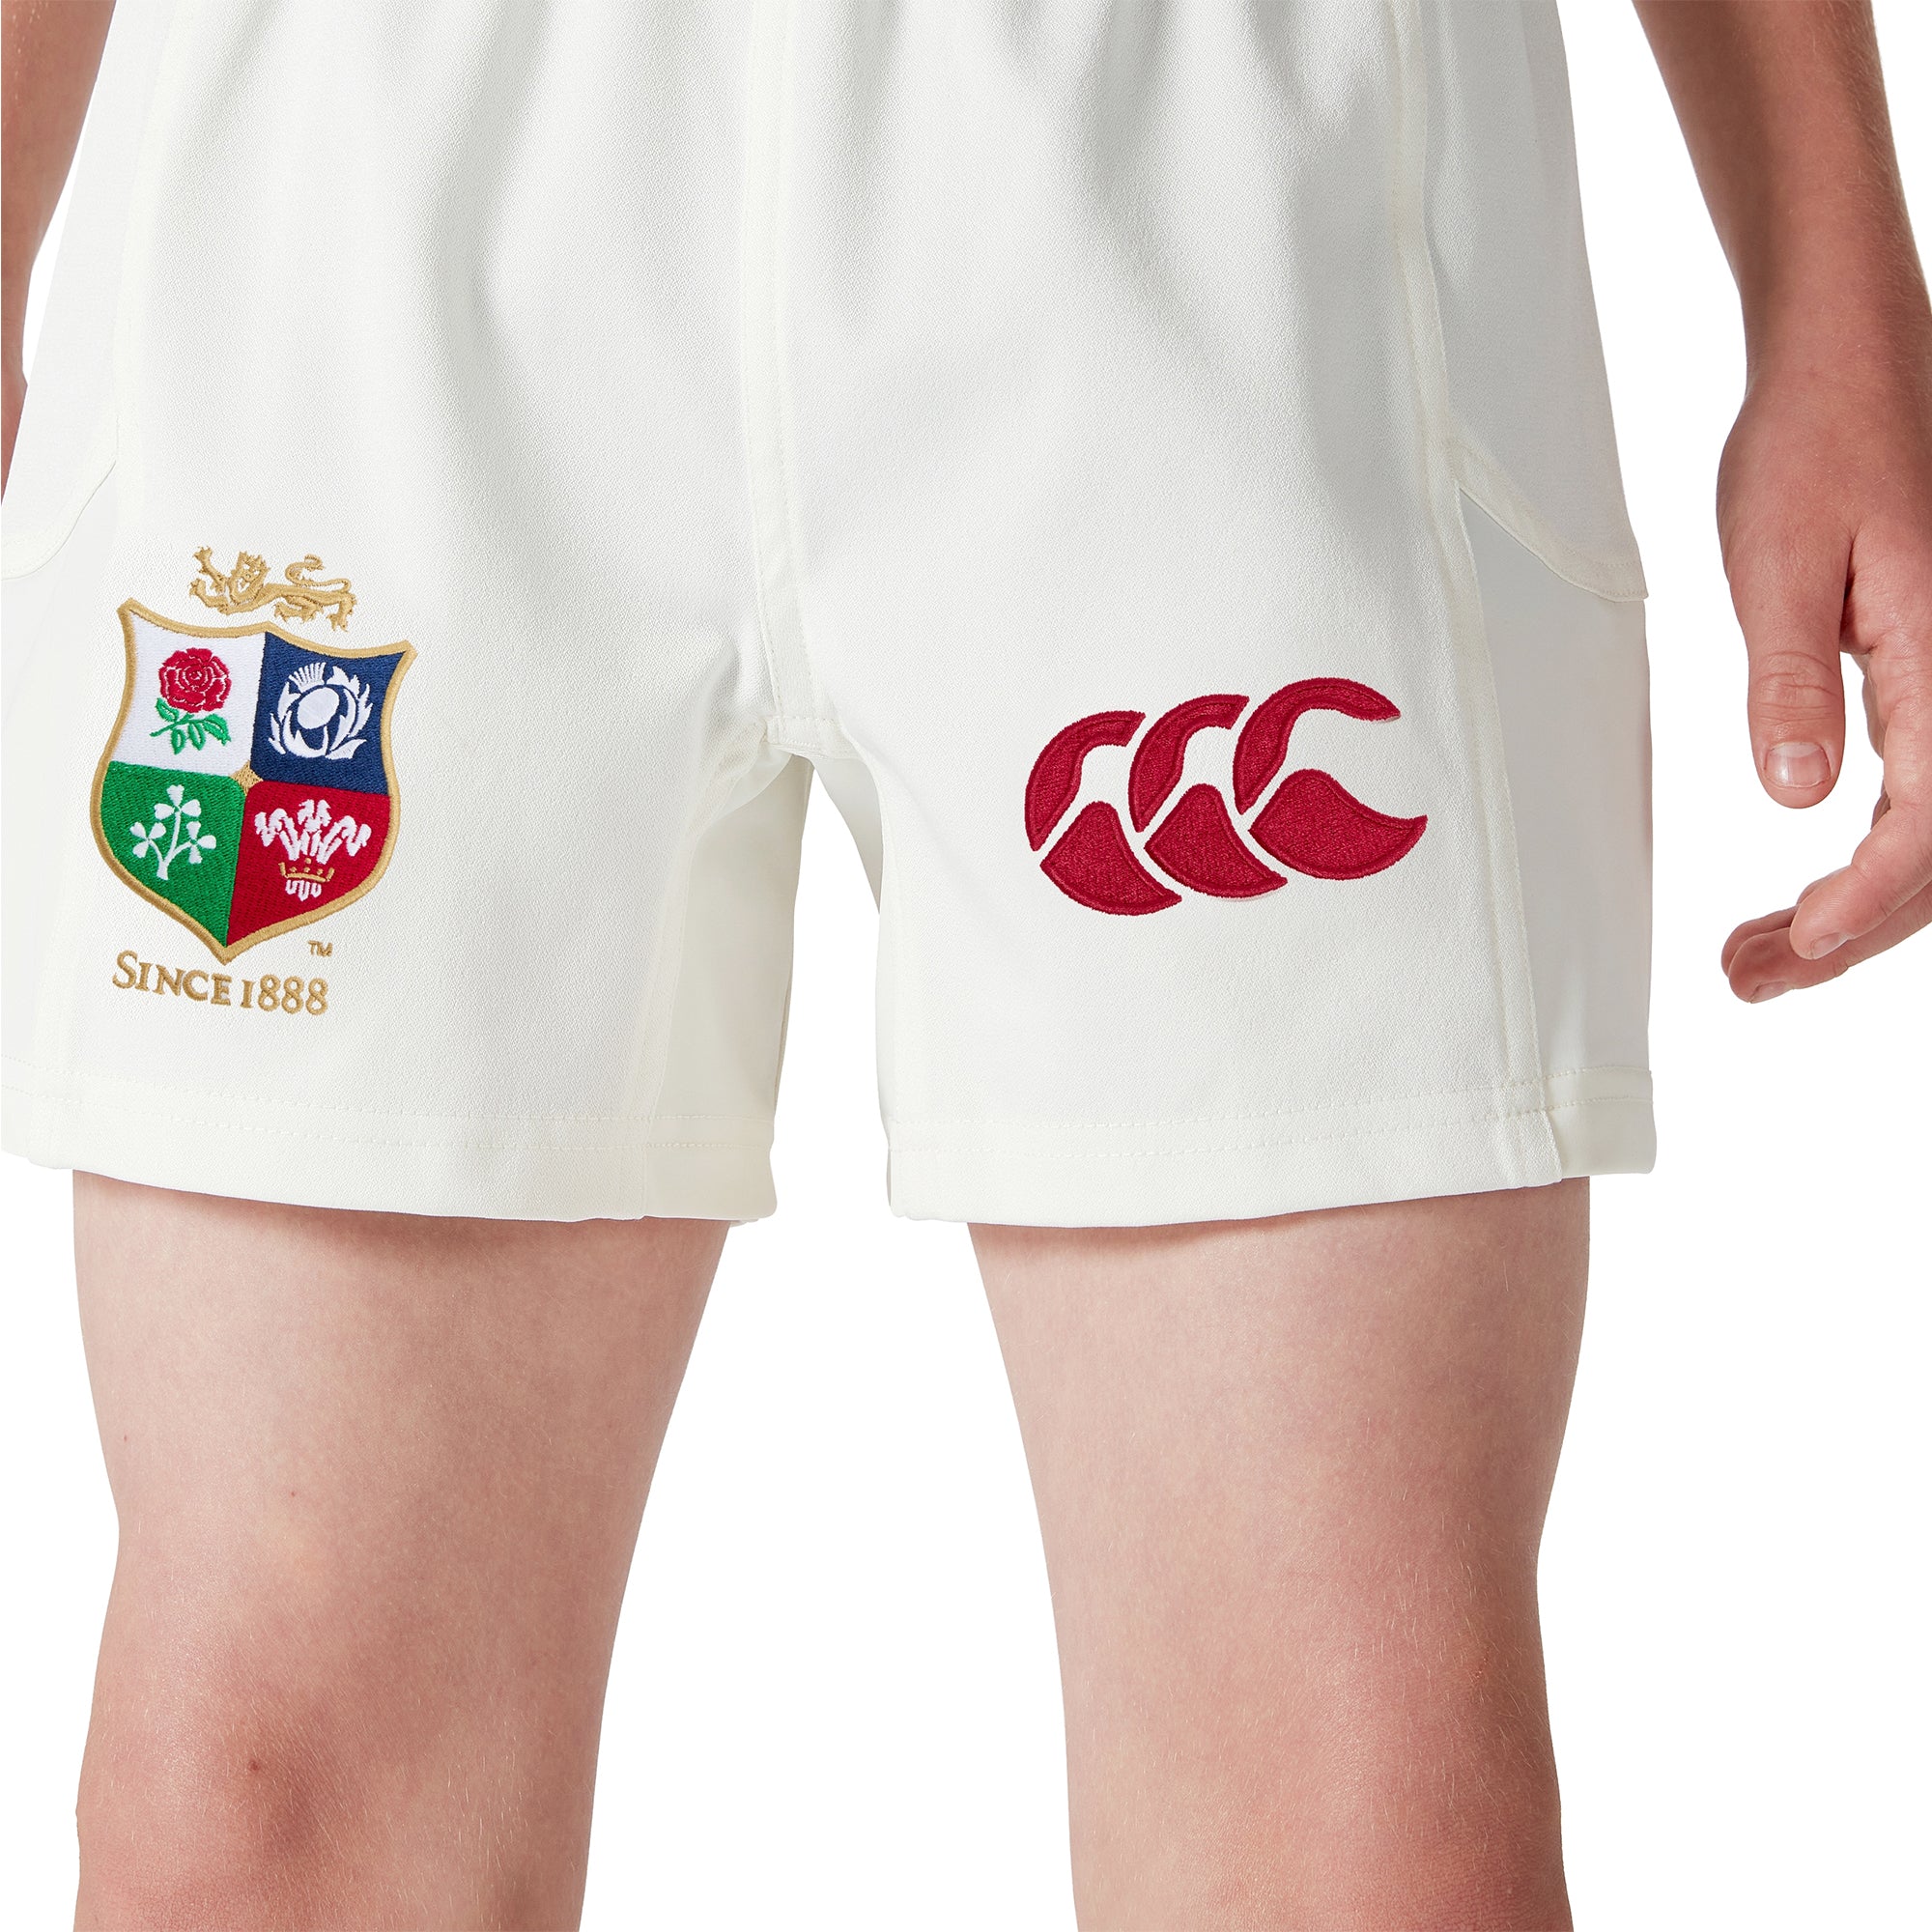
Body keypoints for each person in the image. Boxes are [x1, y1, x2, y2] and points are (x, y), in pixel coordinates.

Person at [3, 0, 1925, 1924]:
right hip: (352, 189)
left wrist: (1836, 280)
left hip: (1220, 171)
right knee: (260, 1811)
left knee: (1363, 1815)